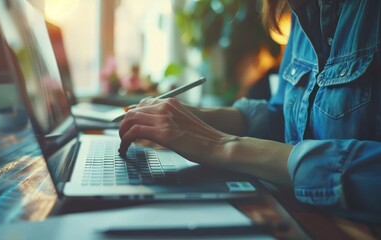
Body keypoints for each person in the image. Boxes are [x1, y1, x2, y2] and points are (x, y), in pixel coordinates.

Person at [119, 0, 381, 217]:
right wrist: (195, 117)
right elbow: (287, 117)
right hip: (298, 214)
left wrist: (223, 145)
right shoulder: (306, 10)